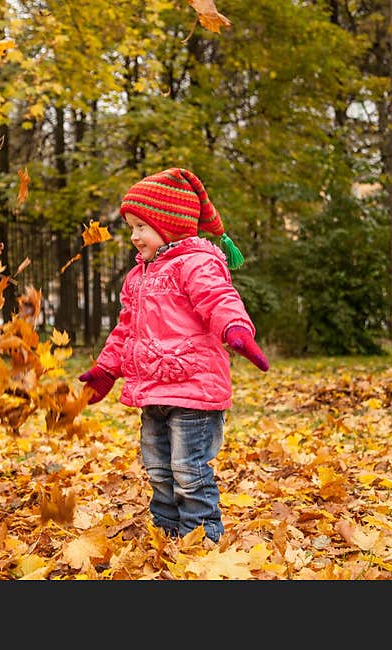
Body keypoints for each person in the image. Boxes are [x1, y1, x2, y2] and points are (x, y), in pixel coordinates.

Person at [78, 167, 269, 543]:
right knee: (158, 470)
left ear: (168, 224)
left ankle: (201, 541)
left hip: (194, 393)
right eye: (131, 227)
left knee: (189, 471)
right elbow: (126, 329)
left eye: (140, 227)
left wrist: (236, 331)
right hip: (154, 391)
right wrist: (106, 369)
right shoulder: (139, 276)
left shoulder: (197, 263)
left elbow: (219, 300)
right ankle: (164, 536)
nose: (133, 236)